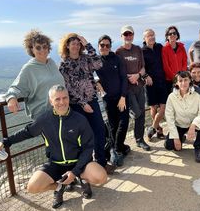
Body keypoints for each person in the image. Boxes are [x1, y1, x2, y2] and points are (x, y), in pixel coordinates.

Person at [0, 85, 107, 209]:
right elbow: (27, 132)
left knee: (101, 177)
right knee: (32, 187)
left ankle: (83, 180)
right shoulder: (45, 119)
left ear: (68, 99)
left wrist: (75, 172)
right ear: (51, 101)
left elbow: (88, 148)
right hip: (56, 164)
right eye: (57, 99)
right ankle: (59, 186)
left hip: (79, 163)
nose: (62, 102)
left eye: (65, 98)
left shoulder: (80, 120)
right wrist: (7, 141)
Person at [58, 33, 114, 174]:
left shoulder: (86, 59)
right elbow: (68, 87)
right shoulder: (64, 64)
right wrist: (83, 103)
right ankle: (84, 167)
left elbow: (98, 63)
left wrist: (88, 45)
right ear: (67, 45)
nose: (76, 46)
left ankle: (101, 163)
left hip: (92, 100)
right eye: (73, 43)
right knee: (82, 136)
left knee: (99, 130)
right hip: (77, 105)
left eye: (78, 43)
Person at [5, 29, 65, 120]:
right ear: (32, 49)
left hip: (60, 111)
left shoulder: (51, 63)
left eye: (45, 46)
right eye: (38, 47)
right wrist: (11, 98)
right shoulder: (29, 68)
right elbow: (16, 87)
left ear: (48, 48)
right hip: (44, 115)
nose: (42, 50)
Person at [95, 35, 131, 167]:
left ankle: (117, 149)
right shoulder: (96, 61)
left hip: (121, 97)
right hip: (108, 99)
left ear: (110, 47)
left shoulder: (117, 58)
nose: (104, 47)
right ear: (98, 46)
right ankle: (118, 149)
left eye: (107, 45)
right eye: (102, 45)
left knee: (124, 123)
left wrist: (123, 97)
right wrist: (96, 81)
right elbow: (90, 75)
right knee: (113, 125)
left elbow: (123, 78)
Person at [115, 25, 151, 151]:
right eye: (126, 34)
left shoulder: (137, 49)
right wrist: (128, 77)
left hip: (140, 86)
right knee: (137, 113)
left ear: (133, 35)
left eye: (130, 34)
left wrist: (137, 75)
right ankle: (129, 114)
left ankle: (139, 139)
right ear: (121, 36)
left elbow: (143, 67)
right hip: (127, 89)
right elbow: (118, 71)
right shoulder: (119, 52)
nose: (128, 36)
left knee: (141, 114)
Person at [164, 71, 200, 163]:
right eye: (180, 81)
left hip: (193, 124)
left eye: (186, 80)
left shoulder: (198, 95)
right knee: (169, 146)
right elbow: (169, 118)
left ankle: (198, 147)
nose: (183, 83)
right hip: (179, 125)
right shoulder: (171, 97)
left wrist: (193, 125)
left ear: (190, 81)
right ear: (176, 83)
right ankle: (181, 137)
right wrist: (176, 138)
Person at [142, 29, 167, 141]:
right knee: (153, 107)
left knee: (163, 107)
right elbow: (140, 67)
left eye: (152, 35)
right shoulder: (142, 51)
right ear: (144, 38)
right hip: (150, 83)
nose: (151, 37)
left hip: (162, 81)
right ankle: (159, 129)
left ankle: (152, 127)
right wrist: (146, 76)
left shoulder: (160, 47)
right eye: (148, 36)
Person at [162, 25, 187, 95]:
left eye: (174, 33)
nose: (172, 35)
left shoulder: (182, 47)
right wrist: (175, 78)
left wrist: (182, 75)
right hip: (170, 81)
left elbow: (185, 61)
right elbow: (166, 66)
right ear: (167, 36)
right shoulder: (164, 49)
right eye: (170, 34)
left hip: (182, 79)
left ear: (177, 35)